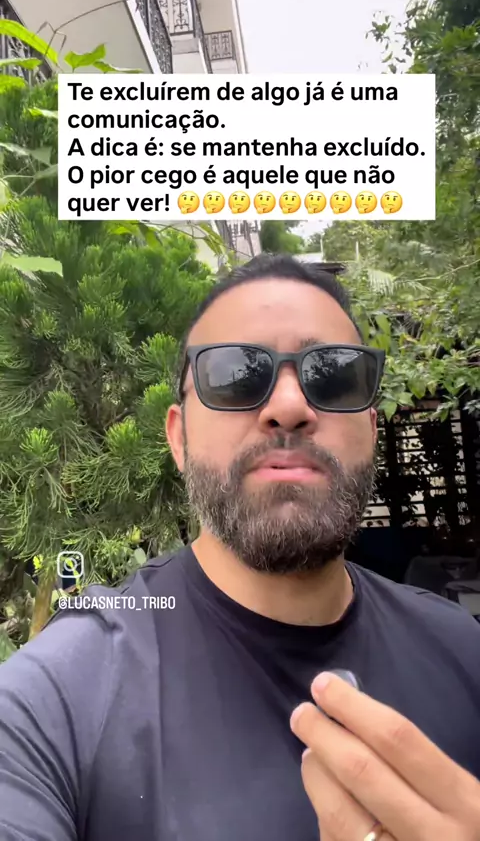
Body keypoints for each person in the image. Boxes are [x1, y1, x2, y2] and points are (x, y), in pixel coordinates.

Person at [0, 254, 479, 841]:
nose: (289, 408)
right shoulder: (56, 704)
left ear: (372, 431)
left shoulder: (464, 651)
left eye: (333, 376)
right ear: (179, 438)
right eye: (234, 375)